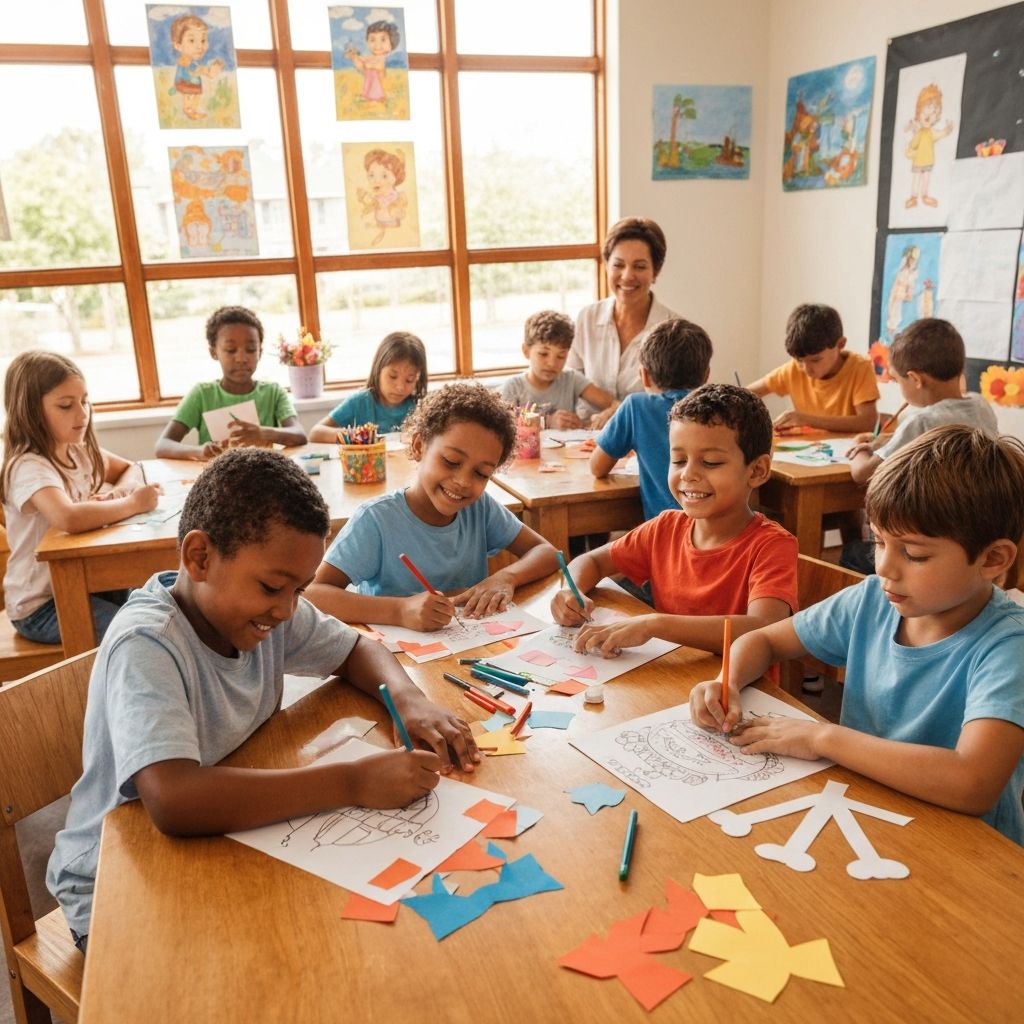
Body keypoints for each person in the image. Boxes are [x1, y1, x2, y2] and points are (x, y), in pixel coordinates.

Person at [46, 447, 479, 953]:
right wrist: (352, 780)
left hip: (221, 840)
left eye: (299, 590)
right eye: (274, 587)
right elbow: (173, 800)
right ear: (200, 557)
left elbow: (358, 648)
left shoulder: (265, 610)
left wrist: (406, 698)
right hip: (113, 884)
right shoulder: (149, 643)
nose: (287, 609)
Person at [691, 425, 1024, 846]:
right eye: (879, 542)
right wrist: (728, 681)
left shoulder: (1008, 646)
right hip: (864, 815)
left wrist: (822, 737)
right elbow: (763, 641)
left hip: (967, 853)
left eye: (915, 554)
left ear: (993, 558)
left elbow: (972, 783)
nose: (884, 567)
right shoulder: (873, 600)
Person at [550, 384, 797, 656]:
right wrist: (569, 591)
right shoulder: (665, 528)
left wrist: (654, 625)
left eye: (711, 462)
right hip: (670, 678)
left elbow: (763, 627)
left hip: (740, 691)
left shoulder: (772, 546)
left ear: (757, 470)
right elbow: (592, 561)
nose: (688, 475)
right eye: (678, 460)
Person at [308, 382, 559, 629]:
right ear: (418, 446)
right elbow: (312, 594)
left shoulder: (480, 509)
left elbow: (547, 553)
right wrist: (399, 611)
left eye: (481, 473)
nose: (462, 482)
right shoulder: (376, 520)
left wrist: (506, 577)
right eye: (451, 461)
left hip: (468, 648)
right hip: (395, 658)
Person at [0, 352, 161, 645]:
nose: (82, 413)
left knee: (160, 601)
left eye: (84, 401)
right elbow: (69, 518)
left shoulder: (79, 451)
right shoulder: (28, 466)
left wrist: (118, 494)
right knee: (142, 634)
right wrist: (132, 504)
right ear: (31, 411)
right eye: (66, 405)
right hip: (41, 607)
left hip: (88, 582)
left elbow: (130, 468)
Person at [842, 318, 997, 574]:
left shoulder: (922, 420)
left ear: (915, 379)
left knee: (851, 553)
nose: (898, 386)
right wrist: (883, 441)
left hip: (925, 534)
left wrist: (860, 449)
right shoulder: (981, 406)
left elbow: (862, 473)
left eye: (897, 380)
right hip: (973, 532)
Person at [591, 317, 712, 521]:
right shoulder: (721, 408)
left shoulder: (636, 407)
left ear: (644, 376)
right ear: (706, 375)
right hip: (722, 534)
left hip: (666, 533)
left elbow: (597, 467)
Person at [567, 217, 679, 428]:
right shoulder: (587, 318)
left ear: (656, 272)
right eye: (618, 265)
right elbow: (569, 382)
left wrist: (620, 412)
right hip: (583, 440)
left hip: (644, 442)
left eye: (640, 266)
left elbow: (676, 407)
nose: (627, 276)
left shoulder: (674, 331)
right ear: (607, 266)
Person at [156, 306, 307, 460]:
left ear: (259, 352)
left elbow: (300, 435)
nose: (241, 358)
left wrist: (263, 433)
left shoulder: (273, 392)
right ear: (214, 352)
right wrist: (200, 452)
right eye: (230, 350)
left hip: (264, 475)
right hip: (217, 479)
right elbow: (163, 445)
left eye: (250, 349)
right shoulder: (202, 394)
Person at [749, 303, 878, 433]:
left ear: (840, 344)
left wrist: (807, 420)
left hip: (846, 450)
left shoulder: (859, 368)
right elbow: (749, 393)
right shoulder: (793, 369)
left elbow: (868, 422)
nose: (806, 369)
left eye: (815, 360)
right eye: (800, 360)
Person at [499, 310, 614, 430]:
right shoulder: (513, 387)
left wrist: (605, 415)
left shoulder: (571, 378)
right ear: (526, 351)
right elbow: (505, 428)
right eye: (543, 354)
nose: (552, 364)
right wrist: (547, 422)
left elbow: (616, 405)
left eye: (561, 356)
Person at [309, 331, 427, 441]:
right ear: (378, 369)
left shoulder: (419, 406)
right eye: (392, 376)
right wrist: (356, 436)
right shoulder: (360, 402)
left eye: (409, 380)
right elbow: (315, 433)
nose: (400, 387)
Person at [904, 83, 954, 209]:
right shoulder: (920, 133)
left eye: (933, 113)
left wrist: (947, 130)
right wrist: (910, 152)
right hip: (918, 161)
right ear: (919, 112)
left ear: (936, 117)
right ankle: (914, 196)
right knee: (916, 178)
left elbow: (940, 134)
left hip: (928, 161)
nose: (929, 116)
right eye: (925, 111)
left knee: (926, 179)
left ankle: (924, 195)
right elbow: (912, 145)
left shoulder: (931, 133)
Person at [345, 19, 399, 104]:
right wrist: (354, 57)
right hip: (369, 79)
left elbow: (377, 67)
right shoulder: (370, 57)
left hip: (375, 81)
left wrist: (364, 63)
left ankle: (376, 98)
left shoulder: (381, 59)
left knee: (374, 88)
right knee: (367, 85)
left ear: (391, 44)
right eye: (372, 40)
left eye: (383, 40)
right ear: (367, 42)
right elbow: (363, 61)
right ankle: (366, 96)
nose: (377, 45)